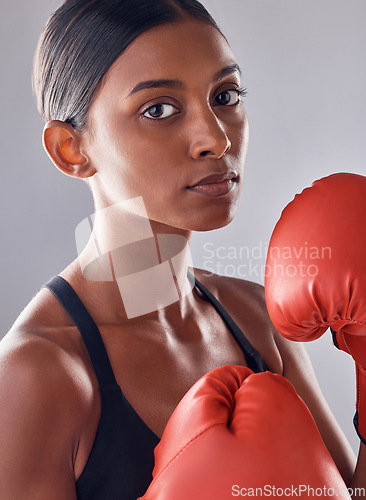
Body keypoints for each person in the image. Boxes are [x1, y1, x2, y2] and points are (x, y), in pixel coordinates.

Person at [0, 0, 362, 498]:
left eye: (226, 95)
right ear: (72, 150)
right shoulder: (37, 374)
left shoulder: (257, 319)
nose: (214, 138)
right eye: (159, 109)